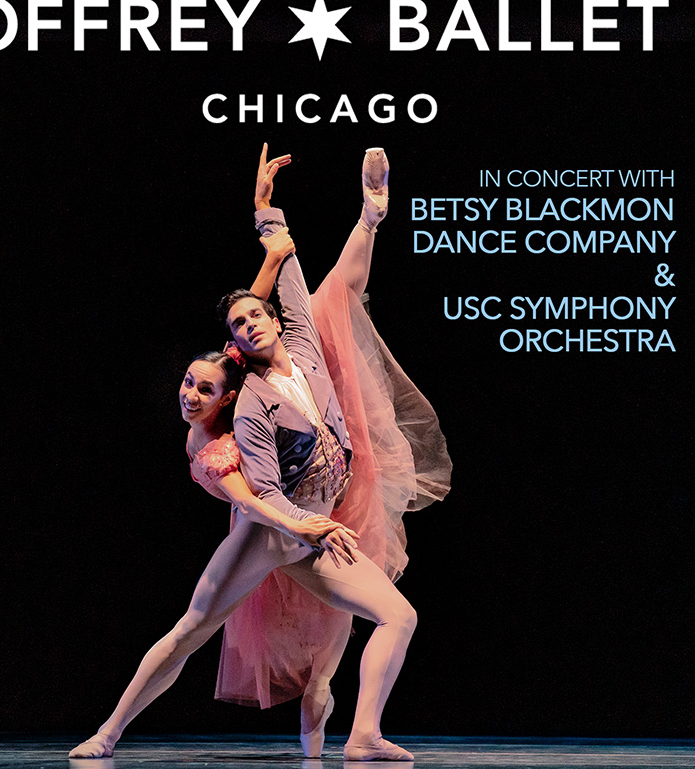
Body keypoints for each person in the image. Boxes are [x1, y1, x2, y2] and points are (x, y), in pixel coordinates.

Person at [69, 146, 451, 762]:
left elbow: (295, 281)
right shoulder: (250, 405)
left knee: (397, 616)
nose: (251, 322)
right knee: (191, 629)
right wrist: (308, 526)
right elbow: (265, 494)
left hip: (315, 533)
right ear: (235, 344)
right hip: (272, 530)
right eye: (239, 323)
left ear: (272, 320)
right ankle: (107, 733)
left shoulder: (300, 343)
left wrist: (270, 216)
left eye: (257, 313)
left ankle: (363, 736)